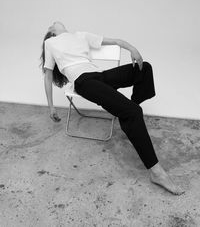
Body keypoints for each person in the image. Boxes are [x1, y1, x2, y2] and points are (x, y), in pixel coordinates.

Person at [40, 21, 185, 195]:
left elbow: (117, 41)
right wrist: (51, 107)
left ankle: (129, 116)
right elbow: (48, 76)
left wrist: (133, 49)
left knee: (144, 68)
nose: (54, 23)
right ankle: (156, 172)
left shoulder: (81, 35)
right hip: (83, 82)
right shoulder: (50, 43)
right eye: (51, 26)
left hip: (99, 76)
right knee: (133, 113)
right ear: (51, 33)